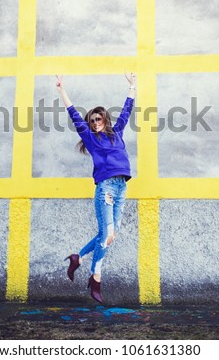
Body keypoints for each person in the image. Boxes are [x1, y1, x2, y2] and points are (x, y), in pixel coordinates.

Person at [56, 73, 136, 302]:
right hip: (106, 189)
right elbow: (73, 114)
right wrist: (62, 90)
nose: (96, 123)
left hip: (121, 187)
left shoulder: (117, 132)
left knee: (110, 235)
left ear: (105, 120)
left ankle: (77, 258)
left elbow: (127, 110)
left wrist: (133, 87)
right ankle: (96, 278)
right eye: (92, 121)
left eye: (99, 119)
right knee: (107, 235)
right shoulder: (91, 138)